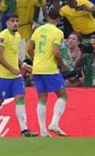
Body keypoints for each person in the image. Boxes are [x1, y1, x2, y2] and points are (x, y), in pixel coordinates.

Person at [0, 15, 37, 138]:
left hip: (15, 76)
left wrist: (23, 65)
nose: (15, 23)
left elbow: (15, 56)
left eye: (17, 21)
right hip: (3, 75)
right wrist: (12, 69)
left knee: (20, 98)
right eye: (12, 21)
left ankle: (24, 130)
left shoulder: (18, 36)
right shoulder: (3, 35)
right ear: (7, 23)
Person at [28, 9, 67, 137]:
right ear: (58, 19)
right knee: (62, 95)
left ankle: (43, 131)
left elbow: (29, 49)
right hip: (50, 69)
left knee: (42, 99)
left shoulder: (38, 30)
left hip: (37, 68)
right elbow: (56, 52)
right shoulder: (57, 32)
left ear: (47, 17)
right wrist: (63, 64)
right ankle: (54, 123)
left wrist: (37, 59)